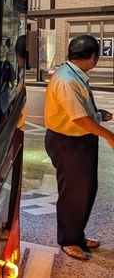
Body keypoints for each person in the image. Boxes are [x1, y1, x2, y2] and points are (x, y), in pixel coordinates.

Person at [43, 34, 114, 260]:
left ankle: (77, 235)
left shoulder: (72, 74)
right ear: (91, 56)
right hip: (69, 143)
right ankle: (69, 240)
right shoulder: (67, 80)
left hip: (78, 141)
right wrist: (109, 136)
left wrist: (98, 114)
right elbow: (79, 119)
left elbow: (79, 110)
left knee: (85, 190)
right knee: (74, 193)